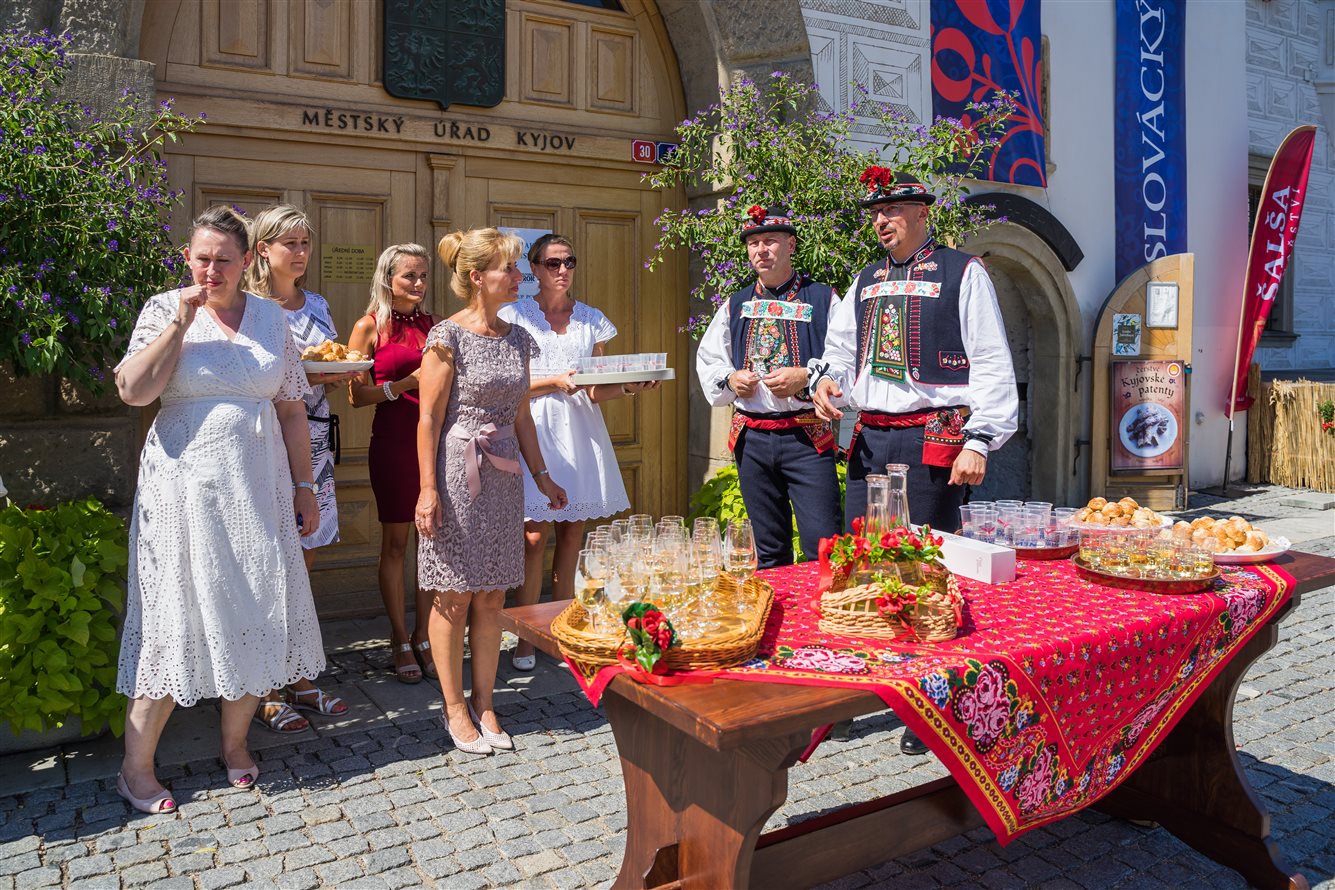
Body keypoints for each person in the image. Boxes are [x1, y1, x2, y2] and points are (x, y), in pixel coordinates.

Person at [114, 205, 326, 812]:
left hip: (257, 487)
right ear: (188, 257)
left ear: (246, 261)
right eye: (202, 258)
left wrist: (303, 487)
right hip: (183, 489)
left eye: (224, 260)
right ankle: (136, 767)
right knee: (172, 616)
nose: (212, 269)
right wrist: (179, 324)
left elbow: (290, 408)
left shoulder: (268, 318)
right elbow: (134, 392)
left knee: (255, 602)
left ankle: (235, 745)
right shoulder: (163, 308)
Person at [812, 169, 1018, 753]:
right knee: (857, 561)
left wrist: (980, 440)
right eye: (875, 211)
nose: (882, 220)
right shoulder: (864, 278)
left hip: (934, 437)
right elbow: (840, 353)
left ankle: (930, 709)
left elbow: (992, 361)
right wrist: (828, 386)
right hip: (872, 436)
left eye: (894, 209)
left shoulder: (963, 272)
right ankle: (855, 691)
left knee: (927, 569)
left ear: (922, 212)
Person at [415, 228, 568, 755]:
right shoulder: (445, 337)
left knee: (493, 594)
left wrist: (543, 475)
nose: (521, 278)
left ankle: (485, 702)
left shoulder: (519, 337)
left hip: (505, 477)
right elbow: (429, 417)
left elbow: (523, 415)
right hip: (458, 473)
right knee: (454, 591)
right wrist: (428, 489)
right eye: (512, 269)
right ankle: (454, 706)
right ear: (478, 277)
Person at [499, 234, 656, 670]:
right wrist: (552, 382)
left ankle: (563, 632)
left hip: (580, 432)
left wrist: (628, 385)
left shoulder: (591, 320)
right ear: (533, 268)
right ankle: (527, 637)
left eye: (569, 261)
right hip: (532, 430)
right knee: (533, 539)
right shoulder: (513, 317)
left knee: (573, 535)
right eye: (552, 263)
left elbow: (594, 387)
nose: (562, 270)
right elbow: (506, 386)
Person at [243, 204, 354, 731]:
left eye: (306, 242)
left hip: (313, 439)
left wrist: (330, 373)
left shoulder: (320, 304)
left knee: (304, 561)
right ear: (263, 249)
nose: (301, 252)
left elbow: (326, 365)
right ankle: (261, 686)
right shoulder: (245, 307)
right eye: (291, 243)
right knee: (266, 563)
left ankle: (299, 674)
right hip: (260, 438)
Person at [695, 205, 842, 567]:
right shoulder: (736, 303)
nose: (761, 250)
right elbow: (709, 358)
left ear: (790, 245)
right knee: (768, 547)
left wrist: (806, 377)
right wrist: (730, 379)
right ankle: (782, 620)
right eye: (754, 243)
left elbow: (844, 359)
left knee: (823, 544)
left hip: (806, 438)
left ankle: (824, 618)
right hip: (753, 440)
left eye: (770, 241)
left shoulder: (823, 300)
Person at [347, 244, 438, 684]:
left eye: (423, 276)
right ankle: (400, 637)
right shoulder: (368, 327)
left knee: (432, 541)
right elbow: (355, 396)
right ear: (388, 279)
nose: (419, 284)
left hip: (434, 440)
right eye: (409, 276)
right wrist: (401, 385)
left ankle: (425, 635)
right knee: (397, 543)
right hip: (392, 440)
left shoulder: (436, 325)